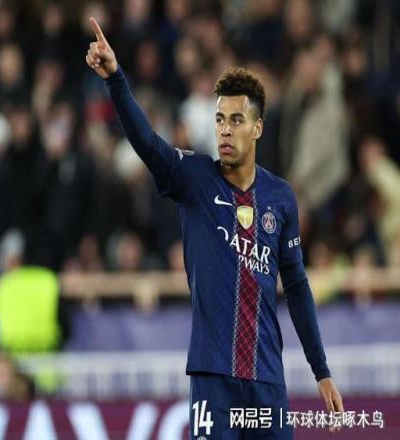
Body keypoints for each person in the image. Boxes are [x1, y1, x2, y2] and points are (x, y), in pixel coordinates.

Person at [85, 17, 343, 439]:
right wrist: (116, 79)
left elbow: (296, 286)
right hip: (212, 379)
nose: (225, 129)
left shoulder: (280, 198)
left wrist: (322, 371)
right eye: (220, 118)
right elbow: (147, 143)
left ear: (257, 128)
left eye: (236, 120)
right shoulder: (195, 179)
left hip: (267, 380)